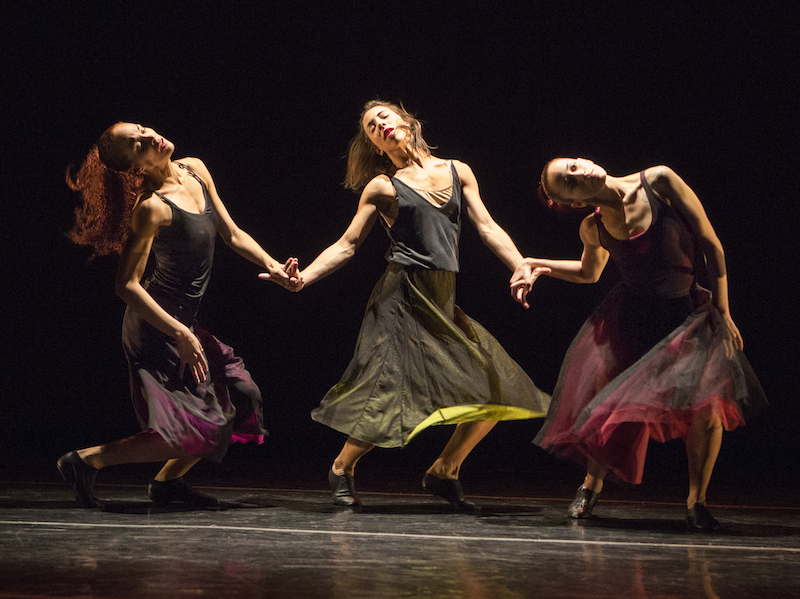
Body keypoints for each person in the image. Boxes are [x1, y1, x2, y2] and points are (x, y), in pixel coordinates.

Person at [265, 100, 550, 511]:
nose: (379, 125)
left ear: (406, 121)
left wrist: (519, 264)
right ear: (376, 147)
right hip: (401, 297)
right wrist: (303, 278)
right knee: (391, 388)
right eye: (370, 127)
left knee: (494, 385)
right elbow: (347, 245)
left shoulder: (458, 170)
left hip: (442, 295)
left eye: (383, 117)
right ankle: (342, 467)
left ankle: (444, 471)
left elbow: (487, 226)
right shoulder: (383, 187)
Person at [511, 158, 767, 530]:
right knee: (607, 404)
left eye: (572, 166)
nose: (577, 173)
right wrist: (536, 263)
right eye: (568, 182)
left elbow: (711, 244)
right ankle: (591, 484)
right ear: (575, 201)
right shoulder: (593, 226)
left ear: (583, 159)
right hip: (632, 317)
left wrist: (722, 311)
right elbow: (589, 272)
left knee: (707, 408)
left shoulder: (659, 181)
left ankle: (697, 502)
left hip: (687, 314)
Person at [59, 122, 300, 509]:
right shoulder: (151, 208)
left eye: (142, 129)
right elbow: (127, 285)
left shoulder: (195, 170)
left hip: (182, 326)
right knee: (184, 431)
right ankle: (85, 461)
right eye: (138, 145)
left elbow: (232, 233)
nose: (150, 137)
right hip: (155, 330)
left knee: (241, 398)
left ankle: (167, 483)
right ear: (137, 168)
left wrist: (273, 267)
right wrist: (180, 334)